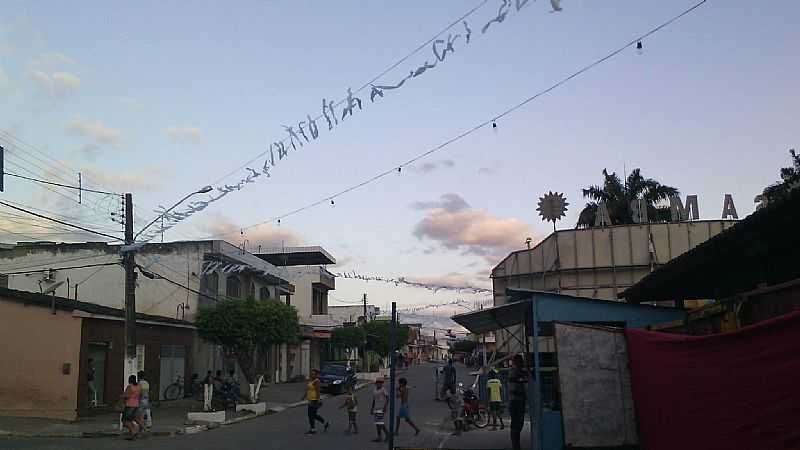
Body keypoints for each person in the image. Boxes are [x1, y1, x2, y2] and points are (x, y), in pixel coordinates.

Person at [508, 355, 529, 450]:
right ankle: (516, 446)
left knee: (517, 424)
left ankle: (516, 446)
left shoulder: (516, 371)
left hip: (516, 401)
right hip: (516, 401)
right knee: (517, 424)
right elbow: (522, 379)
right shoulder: (514, 371)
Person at [303, 369, 329, 434]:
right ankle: (325, 423)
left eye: (314, 374)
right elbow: (308, 389)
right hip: (310, 399)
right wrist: (304, 396)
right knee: (314, 415)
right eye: (312, 373)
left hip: (314, 400)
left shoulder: (317, 381)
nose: (312, 374)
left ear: (317, 375)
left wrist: (317, 400)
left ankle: (313, 429)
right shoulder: (311, 380)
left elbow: (318, 392)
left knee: (310, 415)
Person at [121, 375, 142, 440]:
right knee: (133, 419)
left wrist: (121, 396)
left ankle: (133, 432)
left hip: (129, 405)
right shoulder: (138, 387)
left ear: (130, 380)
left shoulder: (130, 387)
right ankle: (137, 432)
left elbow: (126, 396)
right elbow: (140, 395)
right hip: (136, 405)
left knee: (125, 420)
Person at [370, 378, 390, 442]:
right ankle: (379, 436)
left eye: (380, 383)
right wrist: (372, 408)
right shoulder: (375, 390)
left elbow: (387, 398)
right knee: (377, 423)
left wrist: (385, 407)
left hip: (381, 408)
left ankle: (387, 434)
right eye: (378, 383)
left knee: (380, 423)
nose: (379, 384)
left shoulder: (383, 389)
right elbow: (374, 399)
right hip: (376, 408)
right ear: (376, 383)